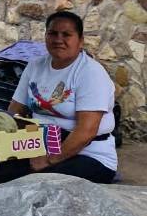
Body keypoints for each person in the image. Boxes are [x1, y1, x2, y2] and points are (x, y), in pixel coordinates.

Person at [7, 11, 118, 183]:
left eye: (66, 34)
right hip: (38, 146)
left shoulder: (90, 73)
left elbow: (86, 132)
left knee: (32, 184)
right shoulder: (35, 66)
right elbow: (15, 109)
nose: (58, 39)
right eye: (53, 33)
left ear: (80, 41)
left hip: (88, 155)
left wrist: (49, 159)